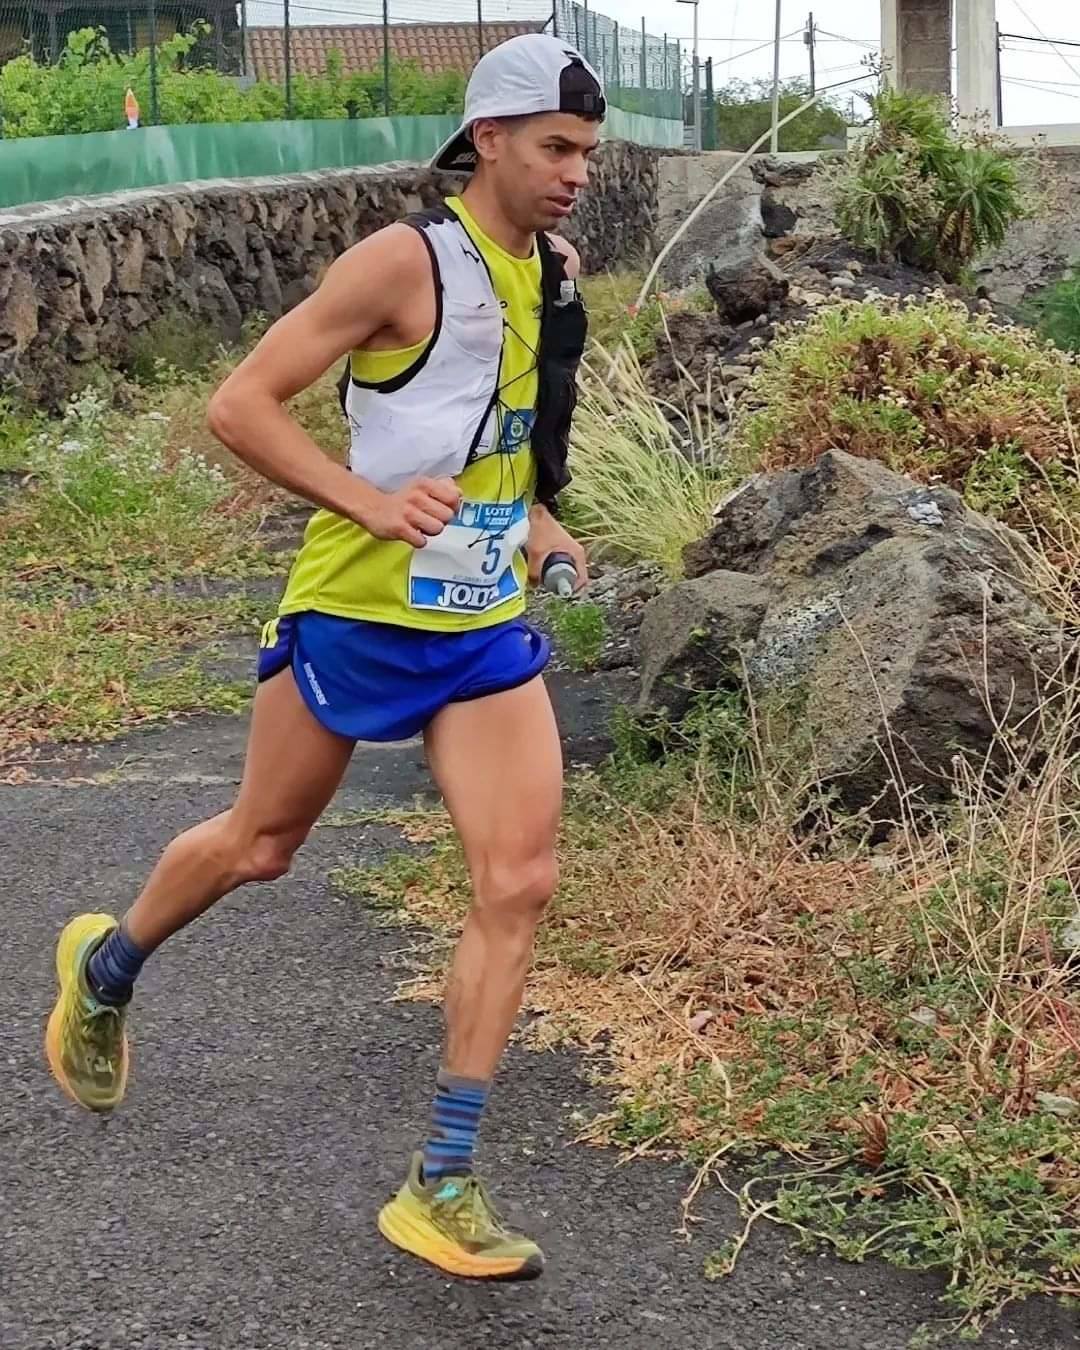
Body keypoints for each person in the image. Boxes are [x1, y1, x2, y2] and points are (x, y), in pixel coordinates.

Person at [44, 32, 605, 1282]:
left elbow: (509, 450)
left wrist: (544, 532)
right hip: (354, 607)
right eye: (558, 148)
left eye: (589, 154)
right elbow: (239, 403)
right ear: (492, 138)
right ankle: (107, 962)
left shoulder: (553, 277)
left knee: (517, 881)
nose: (577, 173)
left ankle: (442, 1182)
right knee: (262, 843)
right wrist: (366, 502)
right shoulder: (402, 262)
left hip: (477, 632)